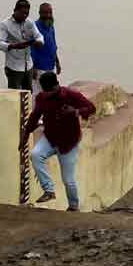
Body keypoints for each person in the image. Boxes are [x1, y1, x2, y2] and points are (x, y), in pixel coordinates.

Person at [22, 72, 96, 208]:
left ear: (57, 85)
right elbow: (35, 116)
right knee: (36, 155)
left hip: (68, 142)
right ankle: (49, 190)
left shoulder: (71, 95)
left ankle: (73, 207)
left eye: (50, 91)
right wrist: (26, 134)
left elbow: (91, 108)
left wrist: (75, 112)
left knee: (68, 181)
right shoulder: (42, 98)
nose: (48, 94)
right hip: (50, 138)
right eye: (46, 92)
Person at [0, 0, 43, 91]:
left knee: (28, 94)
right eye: (22, 13)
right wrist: (13, 46)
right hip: (14, 67)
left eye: (26, 13)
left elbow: (39, 36)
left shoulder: (29, 22)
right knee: (15, 94)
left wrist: (39, 42)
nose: (24, 16)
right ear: (15, 10)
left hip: (28, 65)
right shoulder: (4, 25)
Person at [30, 2, 62, 86]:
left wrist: (57, 63)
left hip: (51, 67)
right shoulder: (34, 27)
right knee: (39, 92)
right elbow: (30, 49)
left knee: (52, 91)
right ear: (40, 13)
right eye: (45, 13)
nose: (48, 15)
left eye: (50, 12)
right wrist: (33, 67)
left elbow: (53, 46)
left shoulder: (51, 26)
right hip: (39, 68)